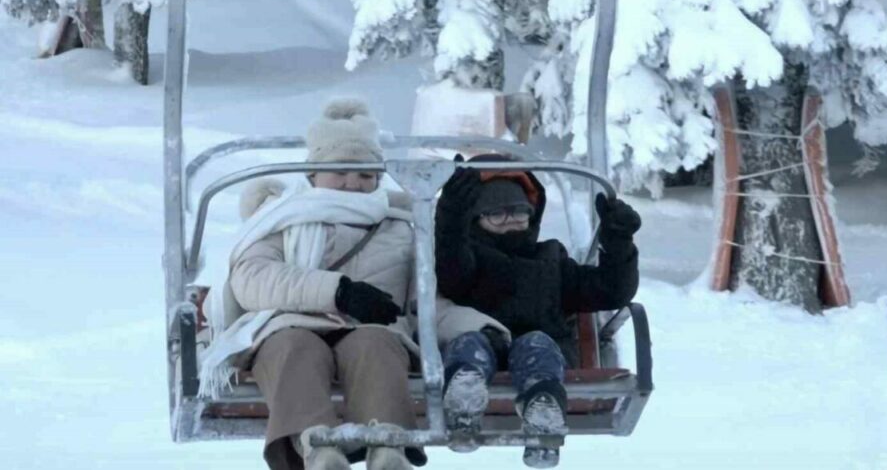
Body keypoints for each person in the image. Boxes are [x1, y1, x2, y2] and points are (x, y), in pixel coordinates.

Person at [200, 99, 505, 470]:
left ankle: (388, 446)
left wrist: (478, 328)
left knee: (376, 344)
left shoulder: (398, 225)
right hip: (290, 324)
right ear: (313, 174)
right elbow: (252, 277)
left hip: (371, 328)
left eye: (365, 174)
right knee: (295, 347)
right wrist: (339, 292)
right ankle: (318, 447)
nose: (353, 184)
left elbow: (425, 302)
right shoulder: (283, 218)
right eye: (340, 171)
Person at [433, 154, 642, 461]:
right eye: (497, 214)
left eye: (520, 212)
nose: (512, 221)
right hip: (484, 343)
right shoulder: (469, 262)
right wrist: (452, 218)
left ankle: (543, 412)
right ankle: (464, 399)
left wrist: (619, 242)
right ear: (476, 219)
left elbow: (611, 291)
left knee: (536, 343)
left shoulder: (552, 260)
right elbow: (451, 271)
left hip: (543, 351)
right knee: (470, 342)